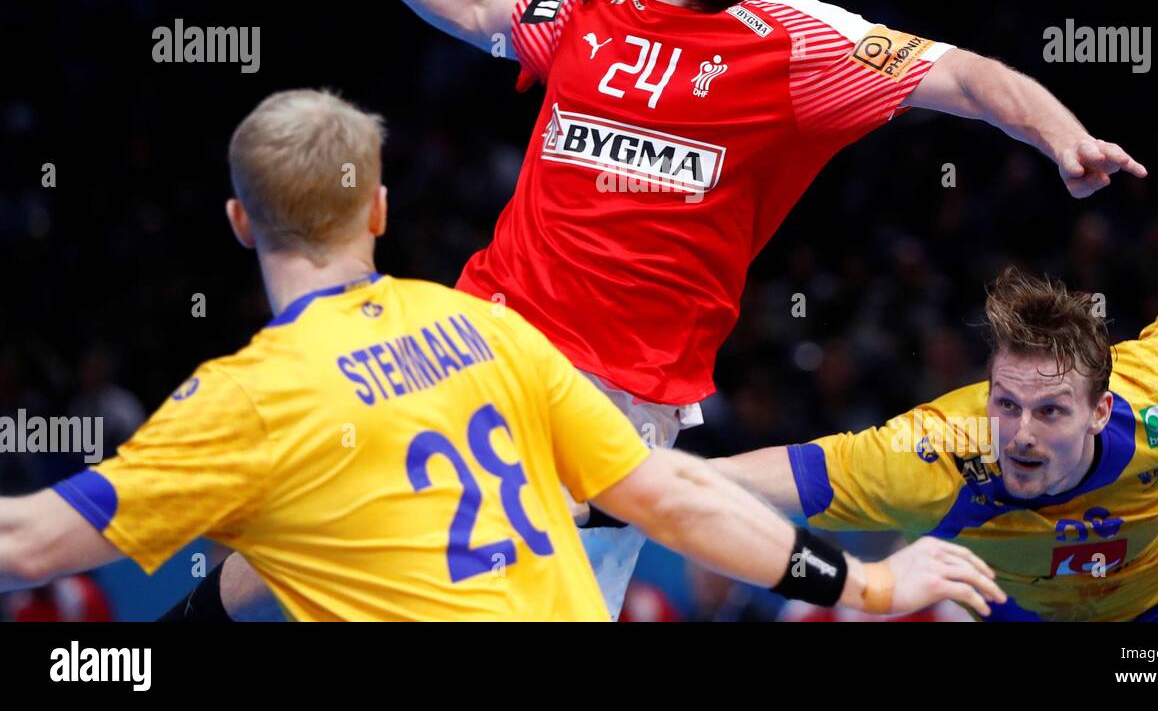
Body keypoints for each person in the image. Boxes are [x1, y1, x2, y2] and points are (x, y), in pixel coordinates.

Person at [252, 0, 1145, 616]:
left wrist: (1061, 134)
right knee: (349, 521)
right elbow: (485, 9)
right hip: (492, 331)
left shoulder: (799, 41)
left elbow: (966, 74)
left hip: (623, 396)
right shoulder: (596, 3)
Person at [0, 89, 1003, 621]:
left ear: (236, 220)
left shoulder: (247, 401)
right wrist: (869, 586)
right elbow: (671, 496)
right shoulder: (486, 326)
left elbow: (28, 546)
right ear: (380, 209)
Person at [712, 266, 1158, 620]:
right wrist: (638, 478)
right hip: (1024, 612)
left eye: (1049, 411)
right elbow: (796, 472)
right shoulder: (936, 455)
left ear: (1099, 411)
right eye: (1007, 404)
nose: (1020, 434)